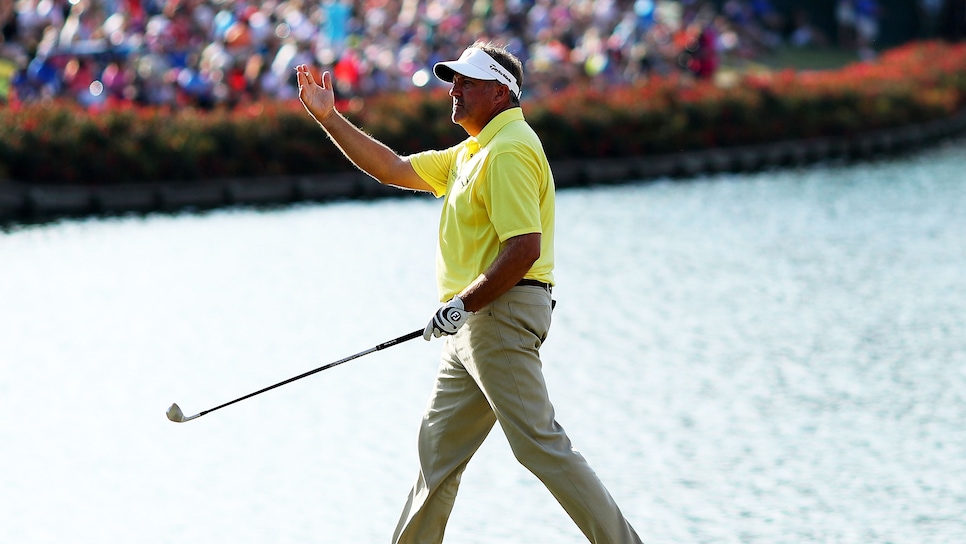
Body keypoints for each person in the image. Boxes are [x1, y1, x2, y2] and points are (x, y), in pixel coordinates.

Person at [296, 41, 644, 544]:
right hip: (472, 322)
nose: (453, 89)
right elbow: (392, 168)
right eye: (452, 79)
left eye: (466, 80)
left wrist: (463, 304)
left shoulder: (509, 149)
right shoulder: (472, 153)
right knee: (436, 456)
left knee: (539, 446)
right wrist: (330, 118)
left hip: (496, 314)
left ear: (502, 92)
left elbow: (524, 248)